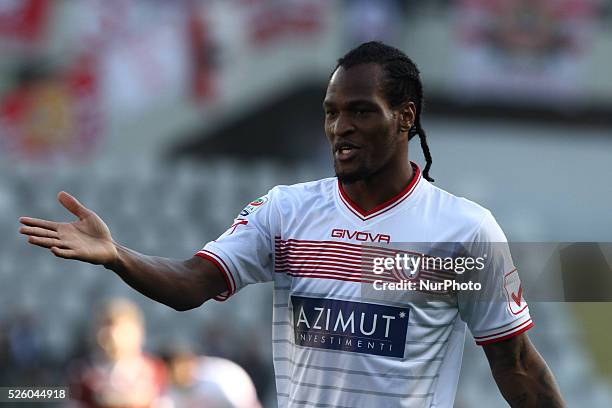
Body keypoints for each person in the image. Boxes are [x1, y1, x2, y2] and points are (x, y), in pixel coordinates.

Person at [19, 41, 564, 407]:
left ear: (405, 117)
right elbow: (192, 284)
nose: (340, 127)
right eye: (330, 112)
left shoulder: (462, 230)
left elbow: (515, 364)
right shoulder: (287, 211)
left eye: (360, 110)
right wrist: (119, 256)